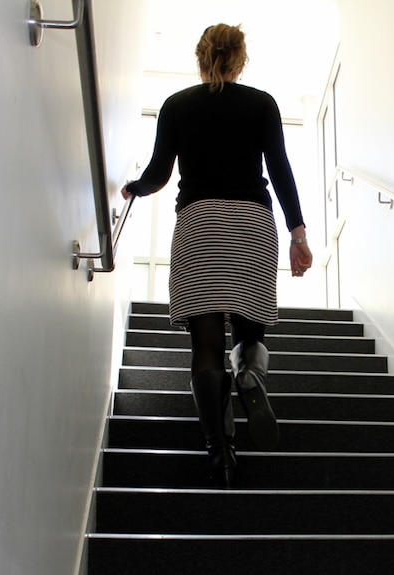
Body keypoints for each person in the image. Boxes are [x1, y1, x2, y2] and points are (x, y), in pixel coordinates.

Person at [121, 23, 313, 488]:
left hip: (199, 222)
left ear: (201, 57)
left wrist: (133, 188)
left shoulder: (176, 106)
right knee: (250, 328)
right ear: (240, 58)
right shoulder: (262, 104)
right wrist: (298, 231)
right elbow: (280, 169)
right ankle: (249, 375)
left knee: (205, 342)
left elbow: (159, 174)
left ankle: (219, 451)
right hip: (250, 222)